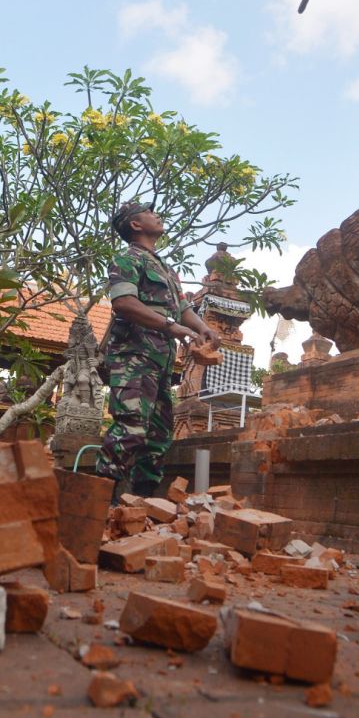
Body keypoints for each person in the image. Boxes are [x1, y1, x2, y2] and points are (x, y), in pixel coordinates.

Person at [95, 201, 220, 499]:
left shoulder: (164, 266)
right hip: (133, 357)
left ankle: (144, 507)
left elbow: (182, 308)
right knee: (131, 428)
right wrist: (170, 326)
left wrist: (202, 327)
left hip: (160, 361)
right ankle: (99, 504)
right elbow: (124, 303)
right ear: (135, 225)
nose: (157, 215)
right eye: (150, 213)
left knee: (158, 438)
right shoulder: (126, 259)